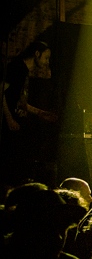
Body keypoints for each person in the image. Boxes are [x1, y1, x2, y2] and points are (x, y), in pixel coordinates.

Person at [1, 41, 58, 189]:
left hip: (15, 123)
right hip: (8, 125)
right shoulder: (17, 68)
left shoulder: (24, 72)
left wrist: (40, 113)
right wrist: (9, 118)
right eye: (46, 58)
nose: (47, 62)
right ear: (37, 54)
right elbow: (1, 92)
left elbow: (20, 102)